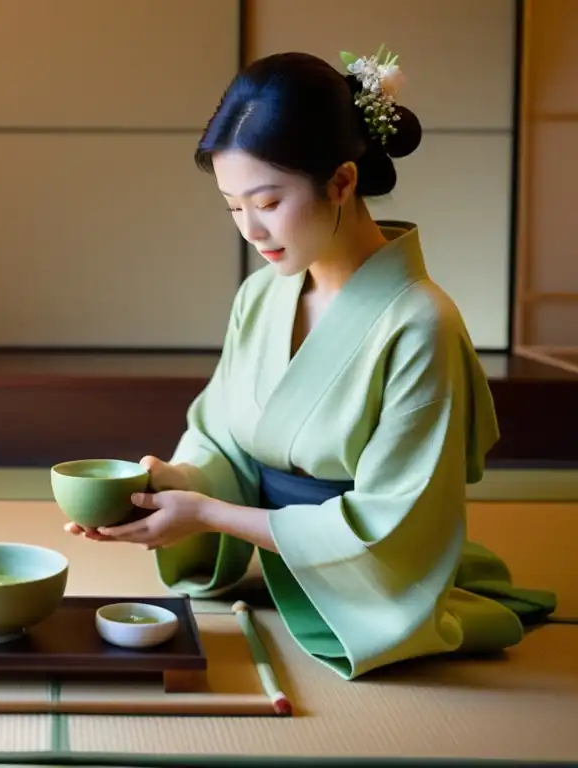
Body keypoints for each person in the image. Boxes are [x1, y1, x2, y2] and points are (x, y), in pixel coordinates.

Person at [64, 48, 558, 680]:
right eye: (232, 207)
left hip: (366, 585)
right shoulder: (262, 294)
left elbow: (391, 525)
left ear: (342, 182)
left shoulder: (422, 324)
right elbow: (224, 437)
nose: (250, 230)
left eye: (267, 203)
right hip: (281, 560)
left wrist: (210, 515)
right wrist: (178, 482)